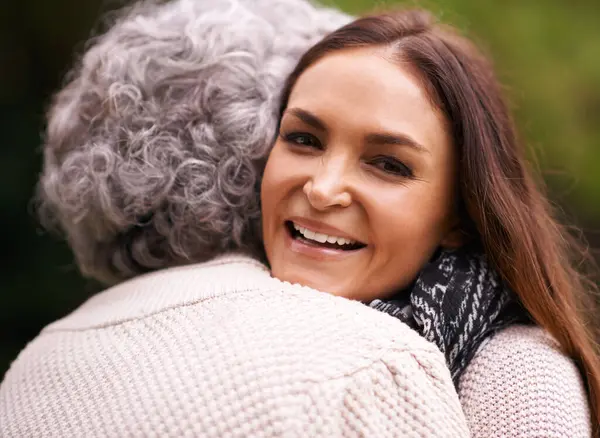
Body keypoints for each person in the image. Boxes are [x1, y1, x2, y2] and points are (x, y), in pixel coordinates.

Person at [1, 0, 597, 437]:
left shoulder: (517, 371)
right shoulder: (217, 319)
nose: (323, 187)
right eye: (305, 139)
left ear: (459, 215)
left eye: (387, 164)